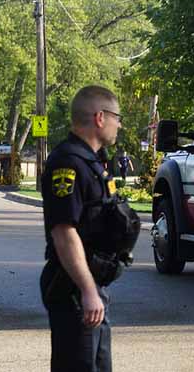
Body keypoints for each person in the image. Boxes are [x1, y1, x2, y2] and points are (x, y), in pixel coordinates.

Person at [40, 85, 140, 372]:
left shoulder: (93, 162)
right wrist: (87, 290)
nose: (119, 124)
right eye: (116, 117)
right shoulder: (68, 164)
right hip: (72, 286)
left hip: (90, 283)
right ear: (99, 117)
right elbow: (64, 232)